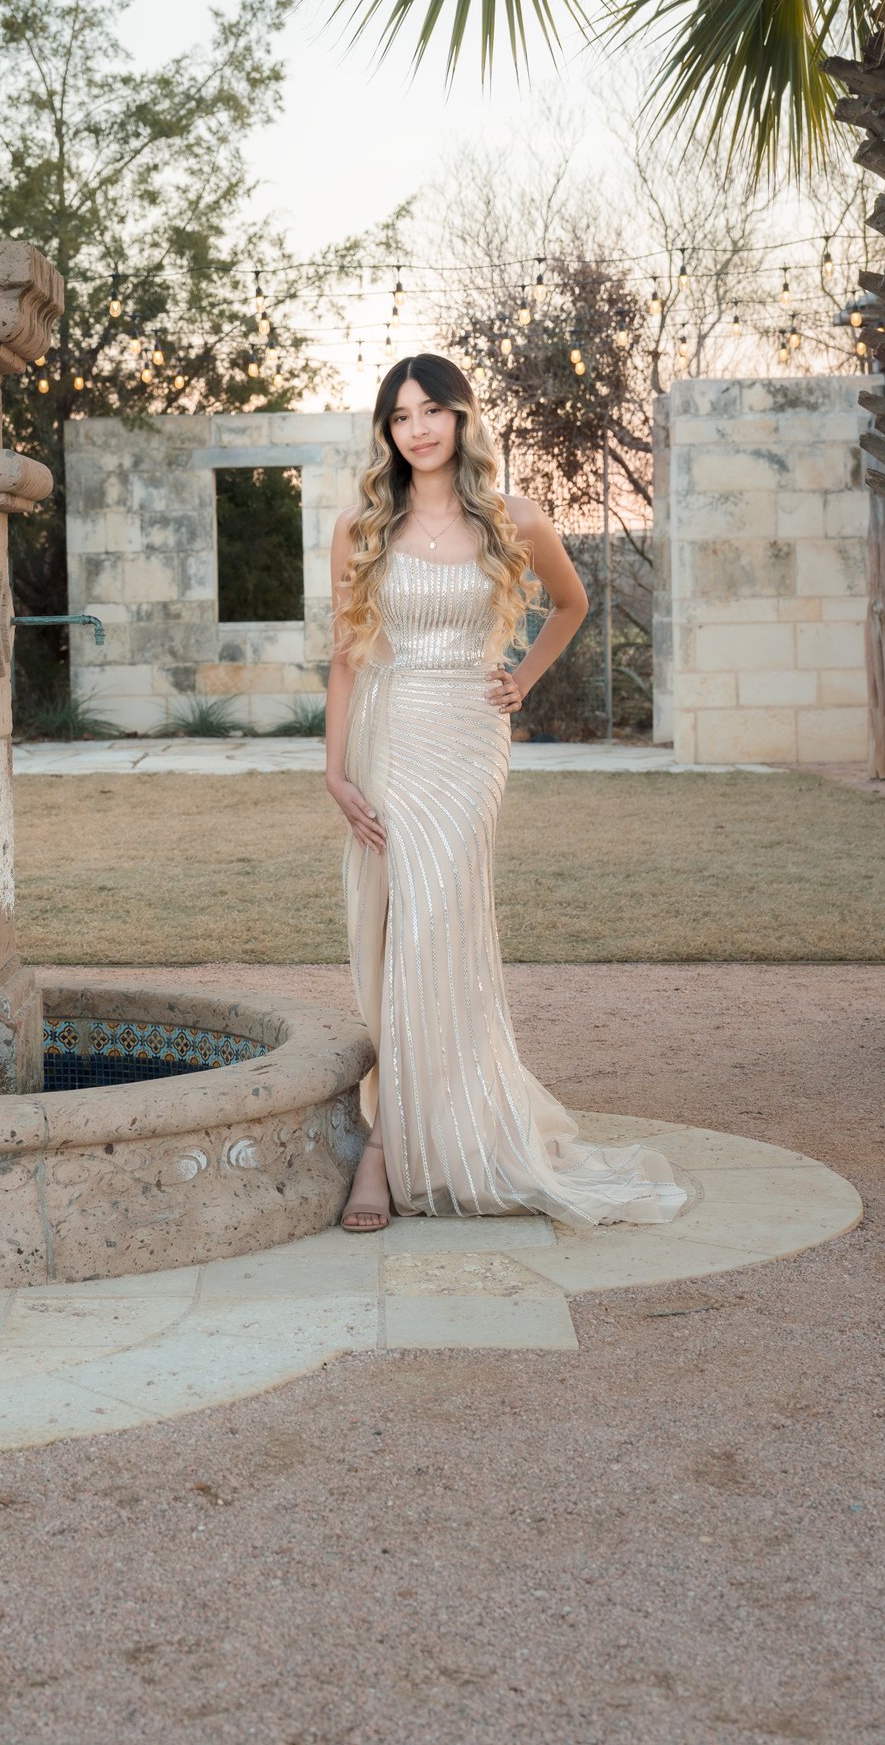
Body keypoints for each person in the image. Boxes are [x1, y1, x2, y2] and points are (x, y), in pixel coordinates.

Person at [326, 352, 689, 1233]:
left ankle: (384, 1148)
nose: (416, 429)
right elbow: (344, 655)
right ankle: (400, 1129)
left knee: (437, 917)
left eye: (431, 411)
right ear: (388, 431)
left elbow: (571, 604)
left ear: (461, 418)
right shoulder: (361, 526)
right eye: (399, 416)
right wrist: (334, 768)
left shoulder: (512, 517)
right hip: (391, 730)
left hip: (469, 738)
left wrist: (522, 678)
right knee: (399, 924)